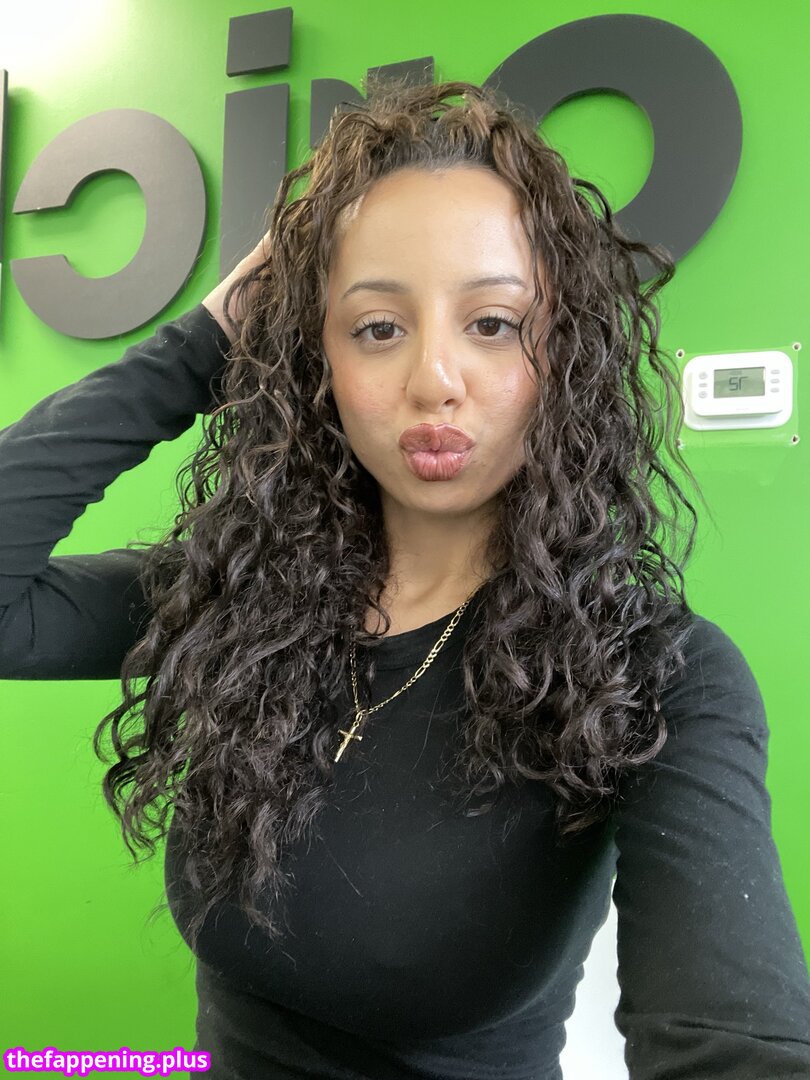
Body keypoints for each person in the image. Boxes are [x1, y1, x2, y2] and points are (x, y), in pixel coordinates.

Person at [1, 76, 809, 1080]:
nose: (434, 380)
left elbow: (730, 1039)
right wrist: (202, 342)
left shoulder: (653, 676)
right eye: (377, 327)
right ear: (320, 365)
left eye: (494, 323)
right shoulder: (239, 601)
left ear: (564, 355)